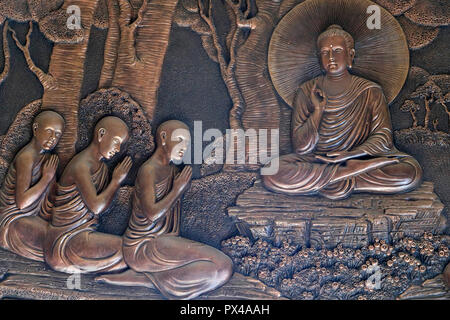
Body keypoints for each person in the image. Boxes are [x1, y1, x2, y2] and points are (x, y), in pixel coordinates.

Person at [262, 25, 422, 200]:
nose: (331, 57)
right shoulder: (306, 91)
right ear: (318, 58)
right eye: (324, 52)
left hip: (360, 158)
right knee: (271, 171)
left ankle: (334, 177)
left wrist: (352, 154)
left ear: (350, 55)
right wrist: (318, 110)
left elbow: (383, 138)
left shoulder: (370, 90)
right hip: (318, 161)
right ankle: (346, 174)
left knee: (410, 172)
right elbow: (301, 147)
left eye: (337, 50)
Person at [96, 120, 233, 300]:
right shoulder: (149, 171)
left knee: (222, 268)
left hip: (164, 243)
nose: (184, 147)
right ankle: (146, 280)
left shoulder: (173, 171)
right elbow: (151, 214)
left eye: (187, 142)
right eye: (180, 140)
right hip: (143, 246)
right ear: (163, 138)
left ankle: (147, 279)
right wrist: (177, 189)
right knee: (222, 267)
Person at [44, 116, 132, 274]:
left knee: (131, 253)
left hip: (83, 235)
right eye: (116, 141)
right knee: (130, 252)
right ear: (101, 134)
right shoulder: (81, 165)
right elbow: (96, 207)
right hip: (65, 242)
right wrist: (116, 181)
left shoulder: (101, 167)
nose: (118, 149)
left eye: (121, 144)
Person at [0, 111, 64, 261]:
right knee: (58, 243)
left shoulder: (47, 159)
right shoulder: (26, 157)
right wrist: (46, 178)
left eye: (57, 134)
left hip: (34, 218)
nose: (52, 138)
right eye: (49, 131)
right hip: (13, 220)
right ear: (35, 129)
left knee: (63, 235)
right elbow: (22, 203)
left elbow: (48, 200)